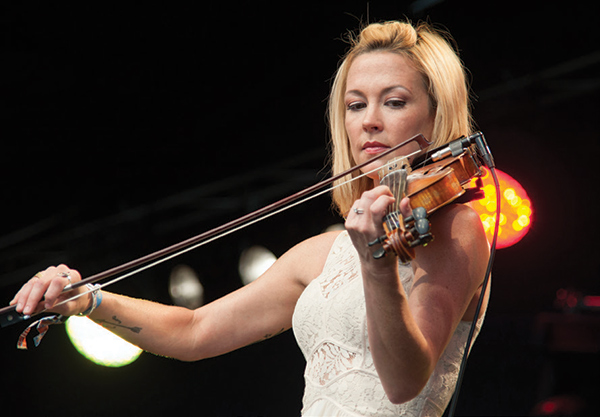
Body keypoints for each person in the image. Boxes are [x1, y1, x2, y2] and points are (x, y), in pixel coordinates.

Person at [10, 20, 490, 416]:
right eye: (355, 104)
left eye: (395, 101)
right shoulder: (322, 253)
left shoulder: (453, 228)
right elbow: (195, 330)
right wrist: (88, 301)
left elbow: (405, 383)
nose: (368, 121)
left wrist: (378, 265)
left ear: (434, 117)